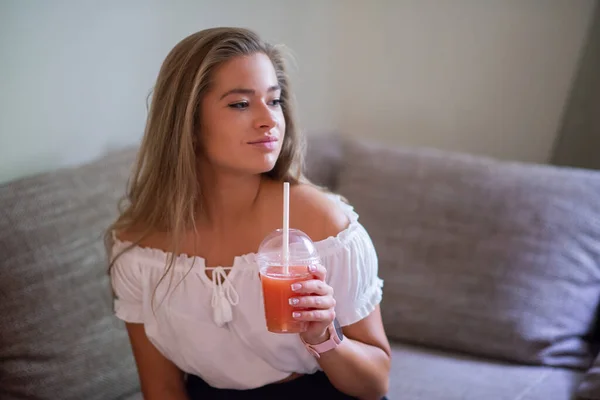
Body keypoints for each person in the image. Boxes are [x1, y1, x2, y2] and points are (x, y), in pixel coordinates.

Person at [106, 27, 391, 400]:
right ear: (188, 124)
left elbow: (375, 384)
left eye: (273, 101)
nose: (268, 120)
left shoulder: (322, 225)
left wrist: (324, 338)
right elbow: (161, 388)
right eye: (240, 104)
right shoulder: (138, 247)